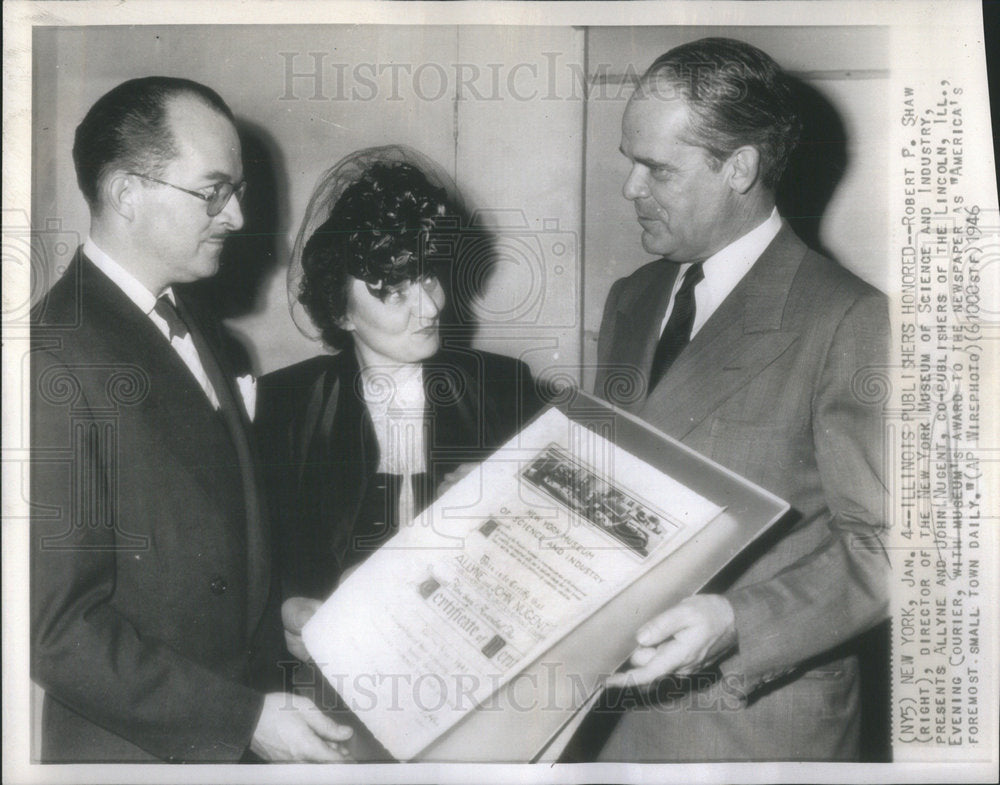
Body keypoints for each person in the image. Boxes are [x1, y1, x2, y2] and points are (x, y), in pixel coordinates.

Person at [30, 76, 353, 762]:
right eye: (213, 191)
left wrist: (280, 620)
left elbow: (210, 547)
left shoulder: (191, 326)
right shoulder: (51, 354)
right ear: (126, 193)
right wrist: (243, 718)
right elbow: (56, 630)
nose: (236, 217)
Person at [588, 38, 889, 760]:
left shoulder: (850, 319)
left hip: (751, 731)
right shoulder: (632, 299)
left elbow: (889, 548)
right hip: (612, 722)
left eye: (656, 168)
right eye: (630, 159)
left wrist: (737, 621)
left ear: (741, 168)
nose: (630, 187)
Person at [256, 148, 541, 627]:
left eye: (427, 277)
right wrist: (286, 613)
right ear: (340, 312)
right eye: (393, 292)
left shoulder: (505, 387)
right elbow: (257, 563)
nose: (430, 308)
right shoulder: (282, 404)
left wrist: (503, 498)